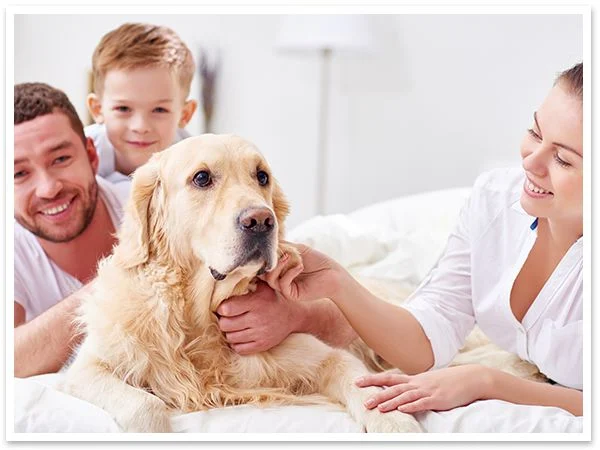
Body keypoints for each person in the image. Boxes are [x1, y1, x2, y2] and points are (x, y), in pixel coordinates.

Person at [218, 62, 584, 417]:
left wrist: (489, 382)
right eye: (535, 133)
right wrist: (338, 283)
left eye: (563, 160)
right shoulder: (494, 200)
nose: (531, 162)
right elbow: (425, 340)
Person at [13, 83, 130, 378]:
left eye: (61, 159)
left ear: (91, 156)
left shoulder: (147, 208)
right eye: (19, 173)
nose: (49, 188)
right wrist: (117, 279)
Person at [85, 22, 198, 186]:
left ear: (185, 114)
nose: (140, 126)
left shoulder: (196, 163)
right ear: (98, 109)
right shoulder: (79, 158)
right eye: (123, 108)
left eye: (159, 110)